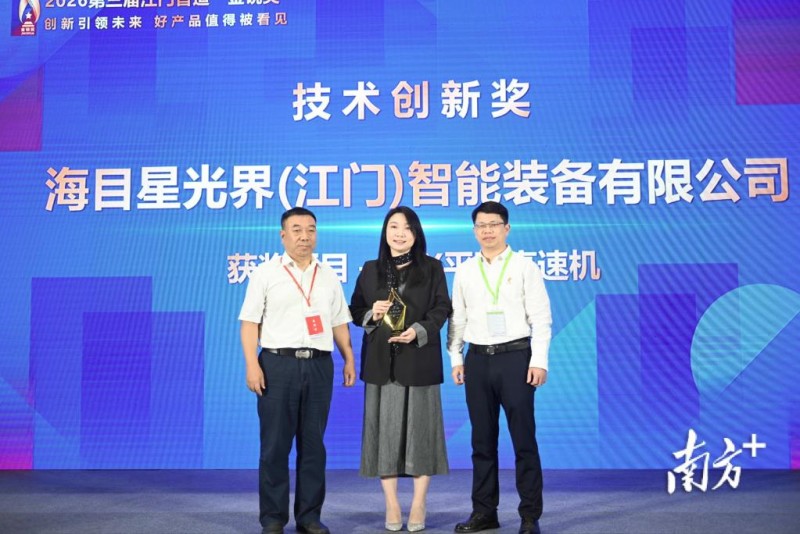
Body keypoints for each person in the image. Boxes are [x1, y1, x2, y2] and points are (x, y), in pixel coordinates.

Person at [239, 207, 357, 534]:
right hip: (277, 365)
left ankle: (309, 517)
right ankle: (273, 517)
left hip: (319, 365)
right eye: (297, 230)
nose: (304, 236)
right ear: (283, 235)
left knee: (314, 445)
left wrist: (348, 358)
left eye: (310, 230)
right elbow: (249, 323)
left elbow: (339, 322)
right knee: (275, 446)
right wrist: (252, 365)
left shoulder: (328, 274)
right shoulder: (265, 273)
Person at [447, 201, 552, 534]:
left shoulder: (525, 267)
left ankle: (529, 516)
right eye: (481, 225)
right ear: (474, 230)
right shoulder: (465, 270)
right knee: (482, 441)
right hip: (477, 360)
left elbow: (541, 319)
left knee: (523, 439)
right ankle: (484, 512)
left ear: (507, 228)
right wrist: (456, 357)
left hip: (515, 359)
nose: (487, 231)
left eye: (494, 224)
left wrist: (539, 361)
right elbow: (457, 317)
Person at [350, 206, 451, 533]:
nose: (400, 233)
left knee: (421, 436)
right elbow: (355, 309)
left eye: (407, 228)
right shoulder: (370, 269)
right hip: (382, 364)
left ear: (416, 233)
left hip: (419, 360)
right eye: (393, 226)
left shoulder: (432, 268)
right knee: (385, 436)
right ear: (385, 232)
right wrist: (373, 314)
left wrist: (419, 330)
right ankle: (392, 504)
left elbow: (442, 307)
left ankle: (419, 502)